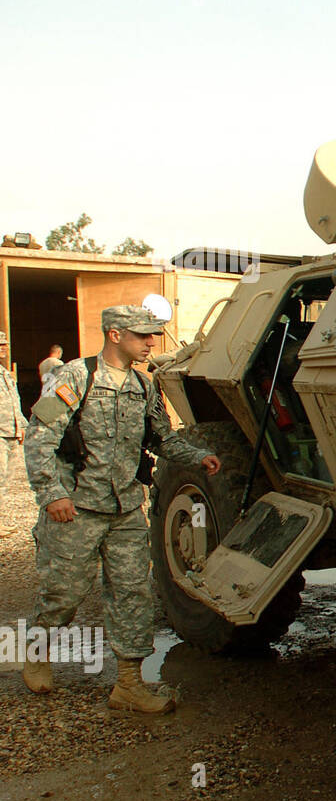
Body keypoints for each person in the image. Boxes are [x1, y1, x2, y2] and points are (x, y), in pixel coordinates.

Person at [22, 305, 222, 712]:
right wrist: (53, 495)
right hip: (76, 508)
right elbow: (40, 437)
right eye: (143, 335)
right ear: (115, 335)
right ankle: (37, 653)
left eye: (153, 336)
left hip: (127, 508)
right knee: (64, 592)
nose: (151, 343)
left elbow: (161, 439)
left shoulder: (143, 385)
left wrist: (197, 456)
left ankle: (128, 683)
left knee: (132, 594)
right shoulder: (76, 376)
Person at [0, 332, 27, 538]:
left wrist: (22, 427)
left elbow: (13, 402)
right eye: (0, 345)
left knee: (5, 482)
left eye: (5, 344)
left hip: (10, 433)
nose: (4, 348)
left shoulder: (4, 373)